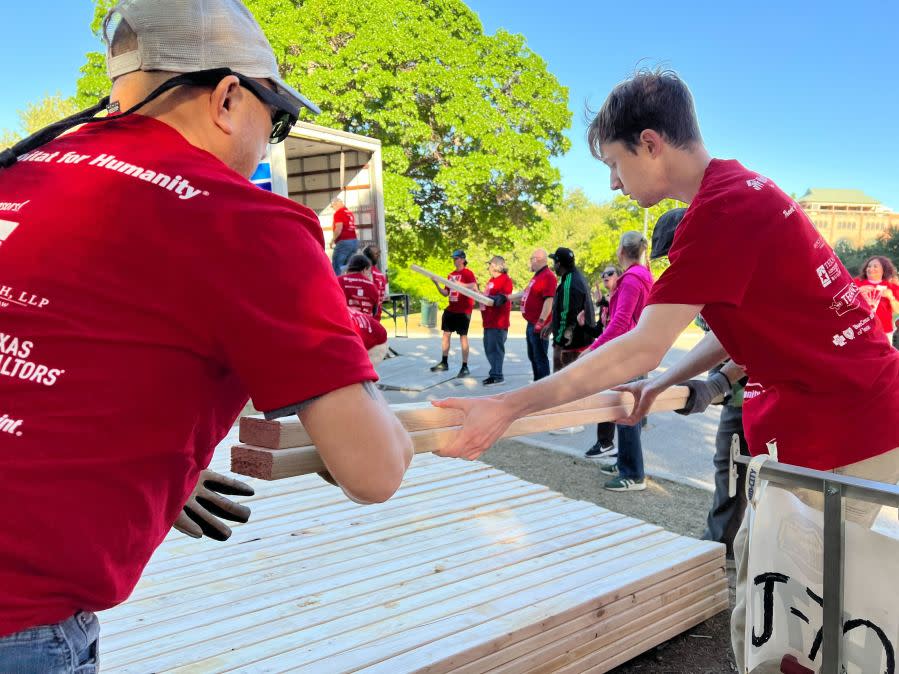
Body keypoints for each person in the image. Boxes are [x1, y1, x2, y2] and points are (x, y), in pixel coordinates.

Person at [429, 68, 899, 669]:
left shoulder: (720, 211)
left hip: (845, 427)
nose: (614, 183)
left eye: (614, 164)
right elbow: (748, 324)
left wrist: (509, 405)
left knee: (788, 616)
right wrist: (668, 380)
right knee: (766, 591)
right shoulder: (743, 191)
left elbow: (637, 347)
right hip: (845, 415)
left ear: (650, 143)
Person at [0, 1, 414, 669]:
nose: (267, 139)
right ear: (227, 97)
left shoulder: (20, 172)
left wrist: (137, 459)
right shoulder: (244, 222)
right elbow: (372, 470)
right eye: (275, 121)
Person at [583, 232, 654, 491]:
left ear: (621, 251)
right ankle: (625, 460)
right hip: (636, 352)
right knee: (625, 408)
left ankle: (633, 473)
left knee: (626, 411)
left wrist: (594, 348)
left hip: (628, 355)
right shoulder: (642, 275)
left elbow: (621, 322)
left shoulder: (633, 279)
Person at [583, 264, 620, 460]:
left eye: (610, 274)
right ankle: (605, 442)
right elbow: (600, 331)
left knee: (609, 399)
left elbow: (619, 328)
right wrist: (585, 326)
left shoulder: (619, 301)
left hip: (616, 357)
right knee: (606, 398)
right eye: (603, 274)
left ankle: (606, 443)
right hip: (605, 356)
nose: (605, 277)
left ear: (619, 277)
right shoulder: (607, 303)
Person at [429, 250, 479, 377]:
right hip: (451, 309)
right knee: (446, 334)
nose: (454, 260)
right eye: (453, 258)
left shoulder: (468, 273)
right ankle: (444, 362)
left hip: (464, 310)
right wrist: (436, 284)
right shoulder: (450, 275)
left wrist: (459, 284)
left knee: (463, 336)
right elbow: (446, 293)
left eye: (456, 258)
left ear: (462, 259)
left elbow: (474, 286)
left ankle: (465, 366)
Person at [509, 248, 556, 381]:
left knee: (540, 357)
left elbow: (549, 300)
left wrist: (541, 322)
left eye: (531, 259)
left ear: (537, 259)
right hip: (531, 323)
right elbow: (524, 294)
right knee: (533, 356)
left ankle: (543, 387)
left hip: (538, 324)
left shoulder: (548, 276)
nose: (530, 263)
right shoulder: (537, 276)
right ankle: (537, 384)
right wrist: (506, 297)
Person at [480, 255, 513, 385]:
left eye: (489, 265)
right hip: (488, 321)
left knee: (496, 350)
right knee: (488, 348)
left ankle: (497, 376)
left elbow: (501, 298)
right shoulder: (491, 280)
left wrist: (491, 299)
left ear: (494, 266)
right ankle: (494, 373)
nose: (488, 267)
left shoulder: (505, 280)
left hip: (498, 323)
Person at [853, 255, 899, 344]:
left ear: (884, 270)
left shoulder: (892, 287)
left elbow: (897, 310)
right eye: (869, 266)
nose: (870, 269)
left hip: (884, 330)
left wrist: (891, 297)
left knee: (885, 356)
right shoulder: (856, 282)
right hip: (861, 329)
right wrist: (857, 292)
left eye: (875, 266)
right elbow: (844, 300)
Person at [329, 198, 357, 275]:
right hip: (354, 242)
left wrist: (332, 240)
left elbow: (339, 228)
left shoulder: (339, 213)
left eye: (333, 206)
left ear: (337, 203)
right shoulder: (349, 212)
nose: (333, 208)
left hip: (344, 242)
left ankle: (337, 285)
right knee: (348, 268)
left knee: (337, 266)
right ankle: (346, 284)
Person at [363, 245, 388, 320]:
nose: (378, 255)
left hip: (366, 314)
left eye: (378, 254)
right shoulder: (380, 275)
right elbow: (382, 297)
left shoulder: (364, 273)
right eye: (377, 254)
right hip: (376, 315)